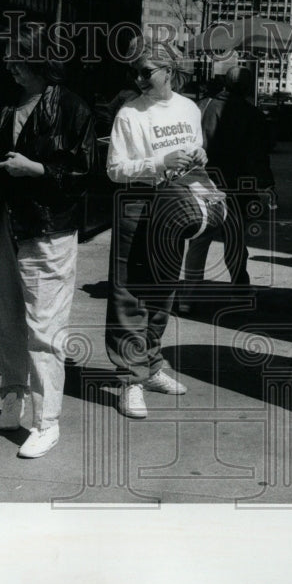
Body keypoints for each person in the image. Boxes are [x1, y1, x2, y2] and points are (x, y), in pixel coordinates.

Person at [0, 24, 96, 459]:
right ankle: (14, 392)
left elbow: (85, 173)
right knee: (0, 318)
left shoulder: (71, 107)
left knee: (45, 329)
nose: (10, 67)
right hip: (0, 227)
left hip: (46, 230)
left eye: (18, 59)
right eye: (9, 60)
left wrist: (39, 170)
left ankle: (47, 422)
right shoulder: (8, 105)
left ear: (41, 61)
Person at [105, 38, 204, 419]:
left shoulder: (189, 108)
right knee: (129, 291)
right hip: (136, 201)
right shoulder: (131, 113)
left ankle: (152, 364)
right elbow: (114, 169)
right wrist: (159, 162)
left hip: (175, 201)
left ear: (169, 70)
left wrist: (199, 154)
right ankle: (129, 379)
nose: (140, 78)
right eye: (136, 72)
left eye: (146, 71)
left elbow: (196, 149)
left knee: (163, 288)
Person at [183, 65, 274, 290]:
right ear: (247, 87)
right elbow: (258, 155)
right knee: (235, 241)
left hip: (204, 183)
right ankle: (238, 287)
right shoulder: (252, 114)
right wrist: (267, 184)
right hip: (238, 188)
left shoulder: (203, 106)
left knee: (199, 240)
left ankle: (188, 295)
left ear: (225, 82)